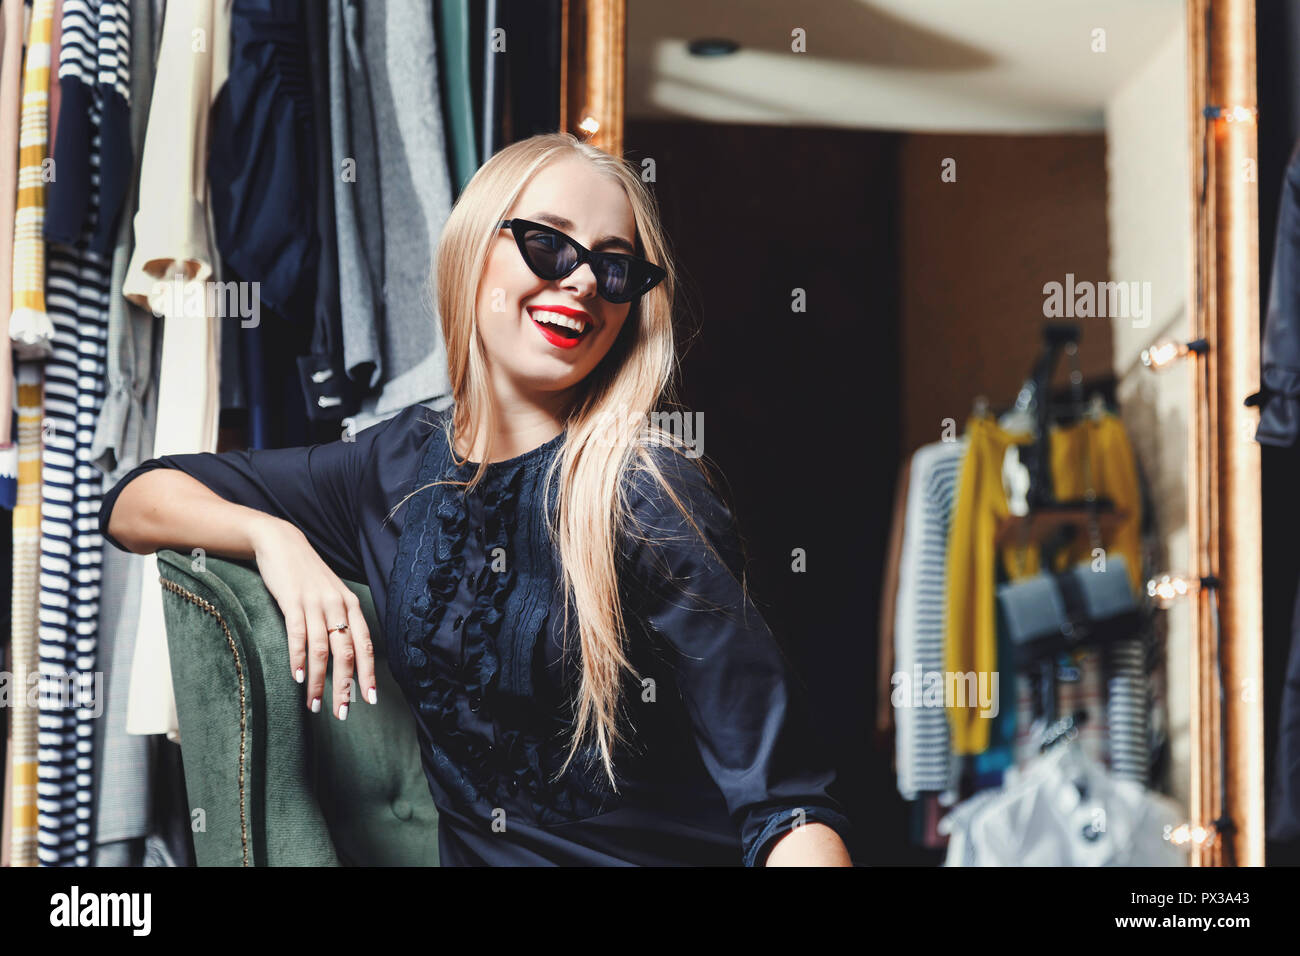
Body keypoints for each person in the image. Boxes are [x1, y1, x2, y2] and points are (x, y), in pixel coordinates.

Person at [100, 131, 854, 866]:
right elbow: (136, 501)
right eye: (549, 244)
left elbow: (784, 805)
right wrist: (274, 537)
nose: (585, 280)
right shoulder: (391, 464)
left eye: (615, 268)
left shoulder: (646, 495)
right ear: (475, 248)